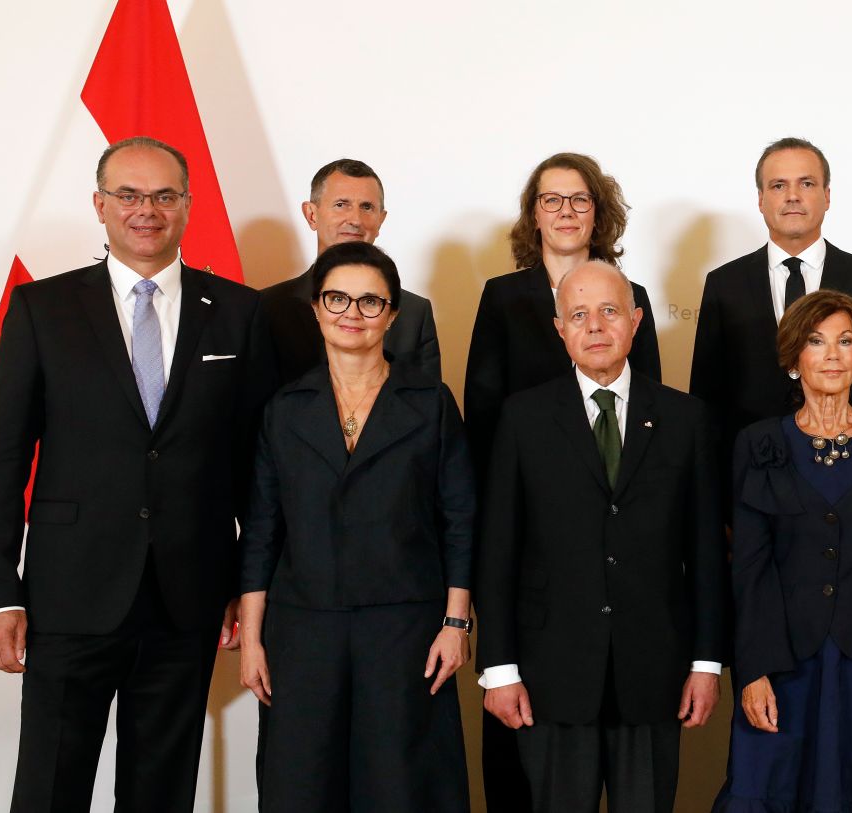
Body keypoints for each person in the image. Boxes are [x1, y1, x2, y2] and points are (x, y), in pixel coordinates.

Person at [0, 136, 275, 812]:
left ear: (187, 205)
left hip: (189, 596)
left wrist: (246, 585)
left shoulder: (239, 312)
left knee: (162, 791)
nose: (146, 210)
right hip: (68, 594)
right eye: (129, 195)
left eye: (164, 195)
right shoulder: (42, 309)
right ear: (99, 205)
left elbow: (256, 467)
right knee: (50, 787)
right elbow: (2, 461)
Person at [477, 260, 728, 813]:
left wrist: (707, 663)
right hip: (550, 674)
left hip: (655, 670)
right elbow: (497, 552)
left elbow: (706, 553)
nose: (595, 326)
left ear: (635, 322)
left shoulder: (686, 419)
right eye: (579, 315)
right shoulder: (523, 418)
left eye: (609, 311)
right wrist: (498, 668)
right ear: (559, 329)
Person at [236, 242, 474, 811]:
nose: (353, 313)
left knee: (401, 787)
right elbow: (262, 530)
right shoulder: (284, 408)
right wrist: (252, 639)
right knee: (302, 786)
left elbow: (460, 518)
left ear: (392, 315)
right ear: (316, 309)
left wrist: (455, 623)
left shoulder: (431, 402)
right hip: (303, 630)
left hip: (405, 628)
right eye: (337, 298)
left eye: (371, 302)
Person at [462, 152, 663, 808]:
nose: (567, 211)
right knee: (527, 747)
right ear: (534, 214)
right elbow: (482, 415)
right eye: (552, 199)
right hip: (531, 527)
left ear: (599, 212)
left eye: (580, 199)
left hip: (614, 531)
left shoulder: (632, 296)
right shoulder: (503, 296)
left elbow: (653, 419)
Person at [713, 290, 852, 812]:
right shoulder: (758, 443)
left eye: (846, 341)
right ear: (794, 357)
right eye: (817, 342)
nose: (833, 355)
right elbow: (749, 568)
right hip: (784, 661)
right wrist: (752, 670)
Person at [690, 137, 852, 465]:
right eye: (778, 185)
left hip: (847, 466)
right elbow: (705, 402)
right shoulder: (724, 284)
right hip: (751, 469)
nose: (792, 195)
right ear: (761, 199)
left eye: (806, 183)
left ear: (827, 196)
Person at [259, 158, 440, 382]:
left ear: (381, 220)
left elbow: (428, 399)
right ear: (311, 215)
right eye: (341, 204)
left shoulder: (414, 313)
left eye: (367, 207)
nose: (355, 219)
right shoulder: (268, 307)